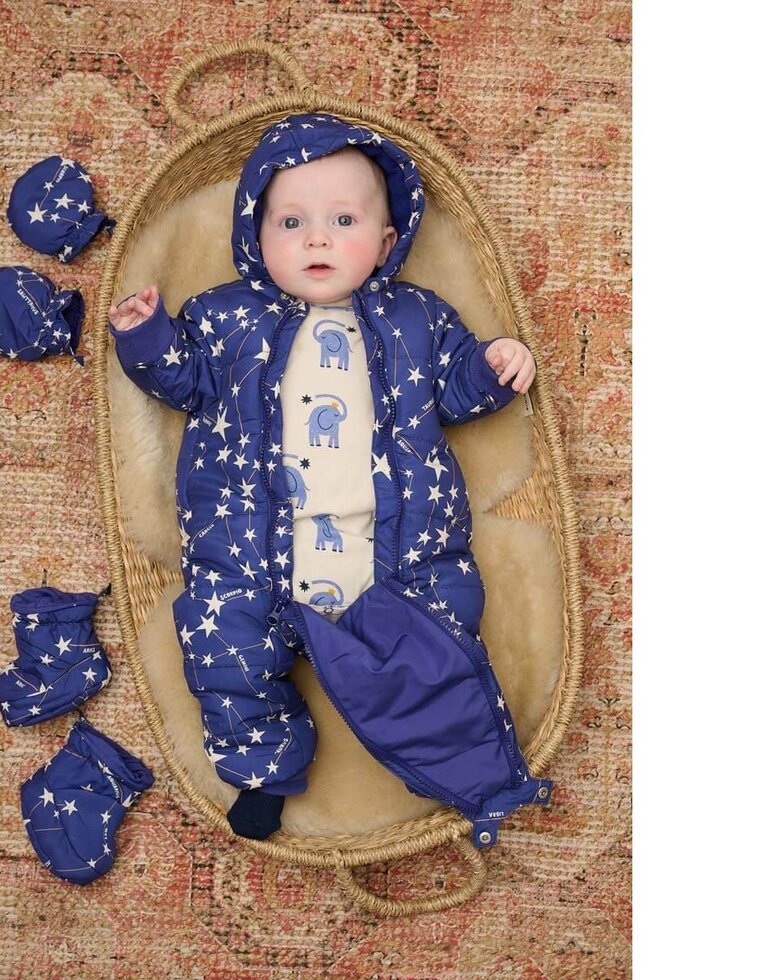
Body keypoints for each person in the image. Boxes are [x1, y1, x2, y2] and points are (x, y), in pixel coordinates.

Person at [109, 113, 551, 845]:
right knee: (221, 650)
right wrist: (145, 336)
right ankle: (262, 768)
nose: (316, 239)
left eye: (343, 221)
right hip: (249, 556)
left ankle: (468, 771)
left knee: (439, 652)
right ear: (255, 236)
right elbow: (180, 380)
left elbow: (455, 390)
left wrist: (493, 366)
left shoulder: (418, 319)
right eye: (291, 222)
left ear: (386, 242)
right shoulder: (224, 318)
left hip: (400, 552)